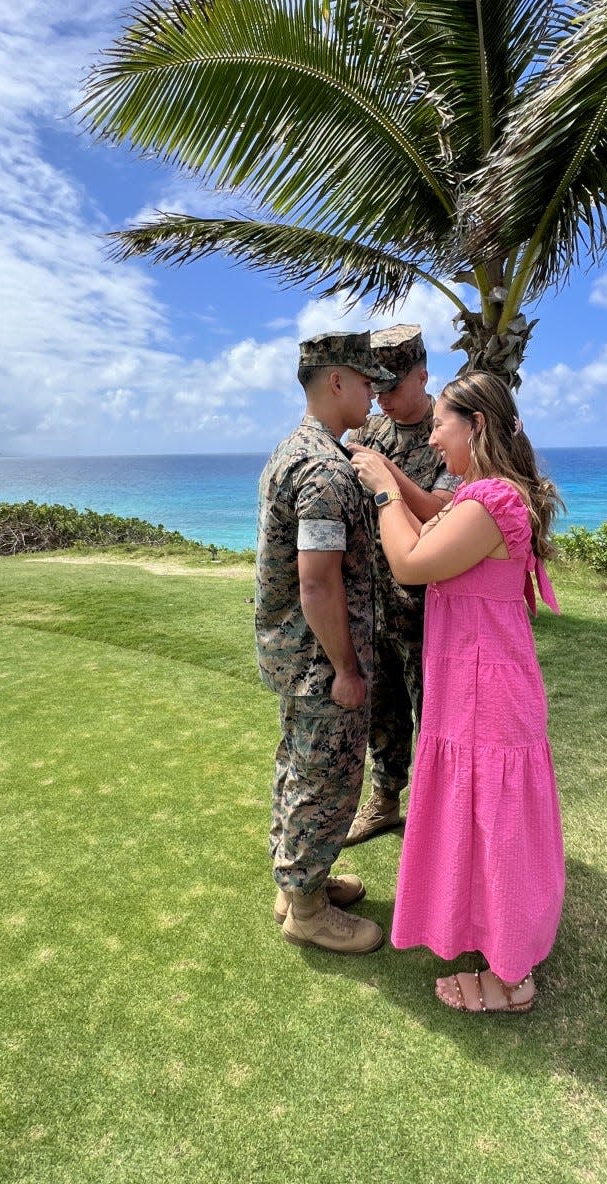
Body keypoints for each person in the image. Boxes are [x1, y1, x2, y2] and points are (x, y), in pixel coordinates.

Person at [352, 371, 564, 1012]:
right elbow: (435, 511)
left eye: (442, 423)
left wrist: (386, 493)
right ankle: (493, 933)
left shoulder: (491, 501)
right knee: (485, 816)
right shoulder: (485, 494)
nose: (434, 435)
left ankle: (512, 981)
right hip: (476, 675)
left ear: (474, 425)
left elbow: (412, 563)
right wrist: (397, 478)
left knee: (494, 819)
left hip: (484, 682)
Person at [255, 330, 394, 954]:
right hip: (320, 658)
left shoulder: (294, 450)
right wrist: (346, 667)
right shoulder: (324, 470)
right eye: (364, 380)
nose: (373, 390)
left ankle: (297, 882)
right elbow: (317, 581)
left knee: (297, 765)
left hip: (294, 653)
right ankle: (308, 911)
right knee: (327, 778)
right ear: (335, 381)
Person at [343, 324, 461, 846]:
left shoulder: (452, 430)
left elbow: (446, 510)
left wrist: (388, 475)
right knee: (382, 710)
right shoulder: (367, 433)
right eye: (377, 388)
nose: (383, 399)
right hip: (373, 603)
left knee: (435, 712)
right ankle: (386, 799)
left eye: (393, 387)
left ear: (423, 376)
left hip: (431, 608)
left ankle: (437, 814)